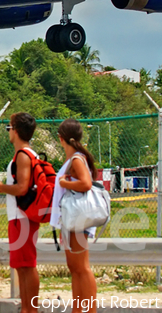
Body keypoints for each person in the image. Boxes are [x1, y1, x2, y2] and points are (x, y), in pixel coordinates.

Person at [0, 112, 39, 313]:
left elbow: (22, 188)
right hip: (21, 217)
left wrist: (0, 187)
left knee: (27, 265)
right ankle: (27, 307)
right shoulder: (29, 154)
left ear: (16, 130)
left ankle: (30, 308)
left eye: (9, 127)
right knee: (22, 266)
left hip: (21, 217)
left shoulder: (23, 155)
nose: (8, 131)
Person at [51, 118, 98, 313]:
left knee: (82, 268)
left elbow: (86, 184)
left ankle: (89, 310)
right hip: (71, 221)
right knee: (75, 268)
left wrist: (64, 183)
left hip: (78, 221)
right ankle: (78, 309)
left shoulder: (77, 159)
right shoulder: (74, 159)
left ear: (61, 139)